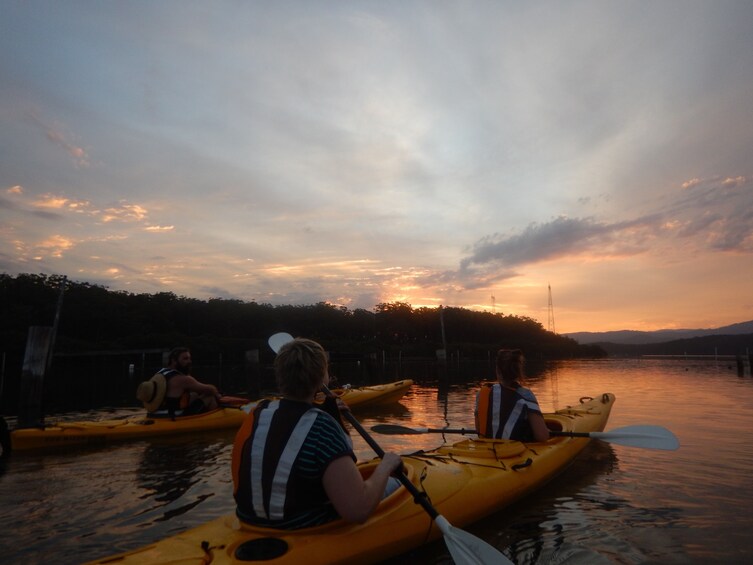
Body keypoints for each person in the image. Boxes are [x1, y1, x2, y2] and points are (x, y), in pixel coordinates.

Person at [232, 337, 403, 529]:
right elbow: (357, 510)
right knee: (397, 484)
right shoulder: (322, 426)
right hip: (299, 527)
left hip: (249, 521)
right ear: (323, 376)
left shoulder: (258, 412)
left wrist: (329, 413)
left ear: (280, 375)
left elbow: (295, 419)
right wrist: (386, 465)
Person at [474, 348, 550, 443]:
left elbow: (478, 429)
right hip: (512, 452)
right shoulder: (526, 395)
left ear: (497, 370)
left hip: (485, 450)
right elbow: (542, 436)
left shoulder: (481, 394)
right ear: (518, 372)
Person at [138, 347, 220, 416]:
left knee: (194, 395)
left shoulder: (160, 373)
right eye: (185, 359)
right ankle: (214, 421)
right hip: (171, 416)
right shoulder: (183, 379)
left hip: (153, 414)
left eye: (189, 358)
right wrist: (218, 396)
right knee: (210, 396)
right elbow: (211, 390)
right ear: (174, 361)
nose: (189, 361)